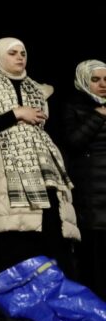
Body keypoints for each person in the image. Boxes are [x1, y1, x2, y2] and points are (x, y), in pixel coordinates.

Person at [0, 38, 79, 287]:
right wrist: (16, 114)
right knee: (13, 238)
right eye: (13, 53)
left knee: (48, 237)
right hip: (3, 175)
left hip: (42, 174)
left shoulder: (37, 89)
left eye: (23, 53)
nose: (20, 57)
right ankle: (15, 309)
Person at [60, 59, 106, 300]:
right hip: (90, 191)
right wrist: (98, 116)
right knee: (94, 253)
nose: (102, 85)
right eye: (96, 80)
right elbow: (73, 141)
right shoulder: (75, 106)